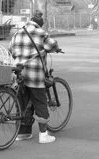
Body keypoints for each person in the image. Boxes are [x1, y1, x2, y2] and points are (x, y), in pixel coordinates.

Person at [6, 9, 63, 144]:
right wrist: (57, 49)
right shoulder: (40, 33)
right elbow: (53, 45)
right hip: (34, 74)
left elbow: (10, 50)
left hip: (18, 73)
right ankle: (43, 135)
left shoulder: (17, 33)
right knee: (40, 101)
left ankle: (23, 132)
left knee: (23, 102)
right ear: (40, 23)